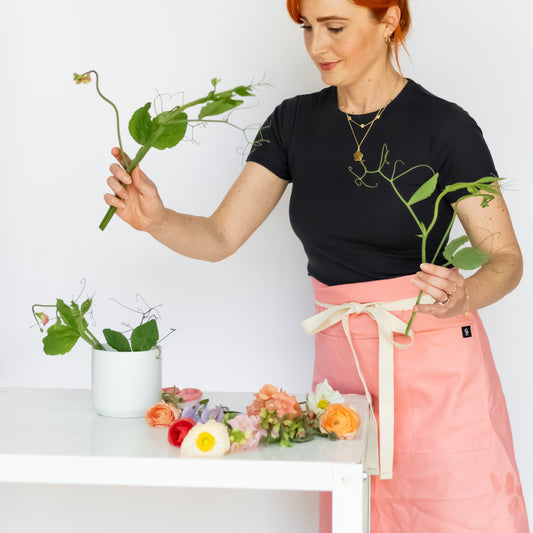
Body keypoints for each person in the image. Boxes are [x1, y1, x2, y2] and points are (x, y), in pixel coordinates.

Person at [104, 0, 529, 531]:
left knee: (456, 514)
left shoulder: (447, 127)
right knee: (357, 516)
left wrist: (466, 293)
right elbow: (219, 236)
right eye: (307, 28)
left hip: (437, 365)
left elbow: (506, 259)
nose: (316, 47)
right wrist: (156, 219)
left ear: (390, 21)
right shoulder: (293, 122)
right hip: (341, 372)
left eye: (335, 28)